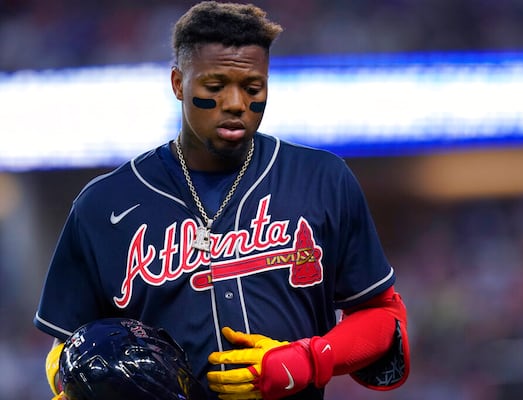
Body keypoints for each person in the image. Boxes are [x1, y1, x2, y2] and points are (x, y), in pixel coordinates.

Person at [34, 2, 410, 399]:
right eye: (214, 87)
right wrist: (74, 380)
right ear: (178, 83)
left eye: (253, 88)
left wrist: (308, 359)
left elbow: (382, 316)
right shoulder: (103, 204)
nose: (235, 104)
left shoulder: (322, 178)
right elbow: (65, 347)